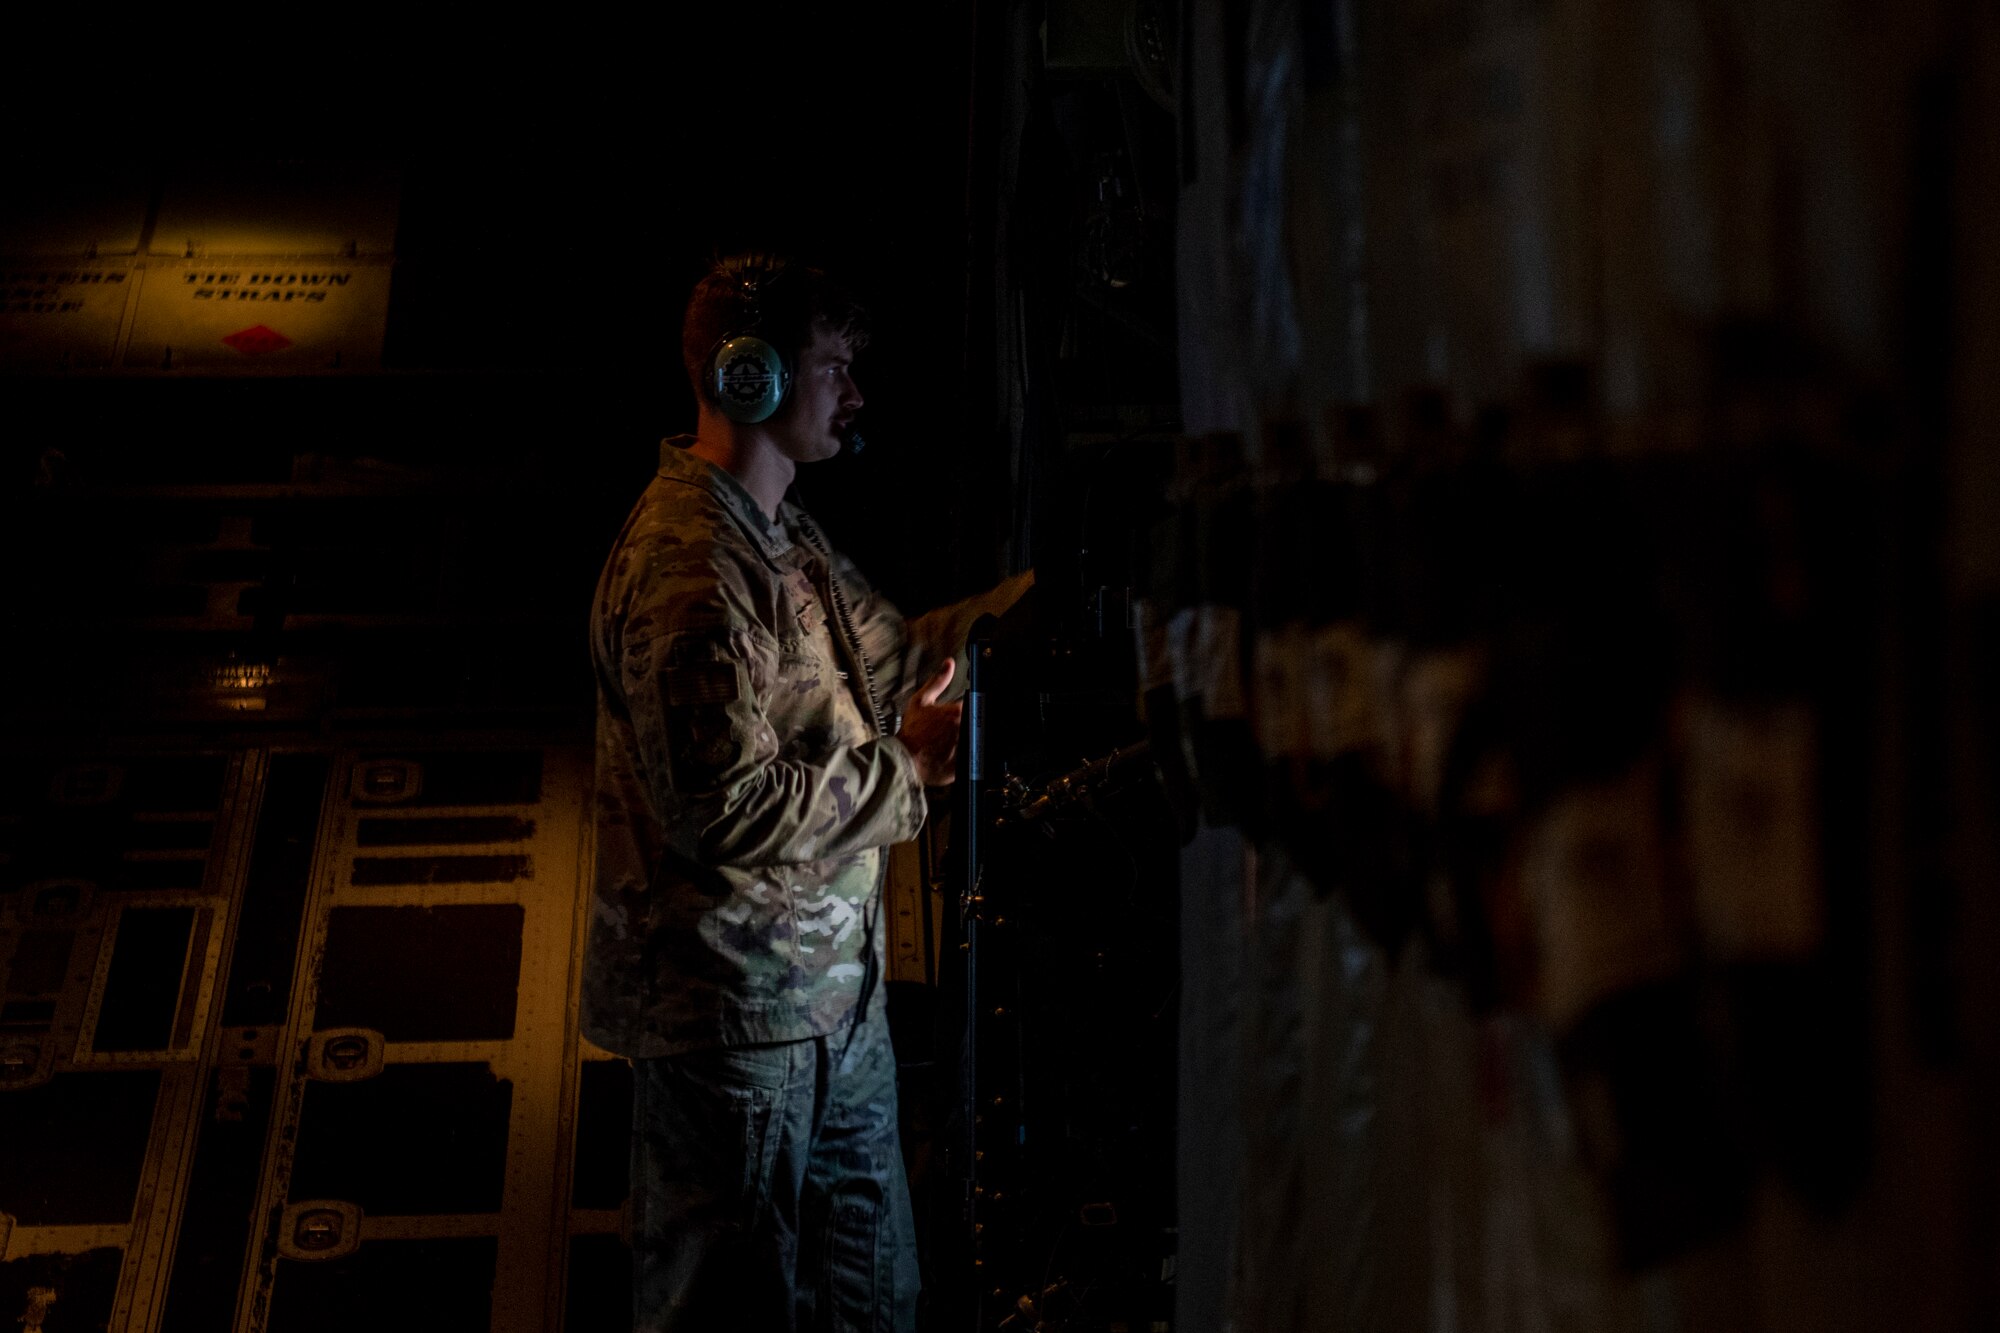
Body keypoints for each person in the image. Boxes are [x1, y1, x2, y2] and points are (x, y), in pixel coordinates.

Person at [583, 253, 1032, 1332]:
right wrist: (909, 766)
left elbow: (897, 656)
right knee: (726, 1311)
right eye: (834, 368)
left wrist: (1021, 617)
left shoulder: (781, 541)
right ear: (752, 379)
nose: (856, 394)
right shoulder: (693, 569)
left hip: (830, 1010)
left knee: (869, 1301)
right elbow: (720, 807)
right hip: (735, 1026)